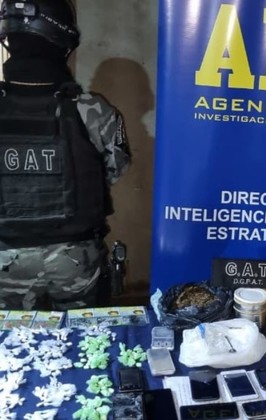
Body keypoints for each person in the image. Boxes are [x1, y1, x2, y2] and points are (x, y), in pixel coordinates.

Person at [0, 0, 130, 310]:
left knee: (8, 340)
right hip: (74, 259)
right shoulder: (92, 110)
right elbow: (114, 171)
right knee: (86, 337)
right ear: (63, 41)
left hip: (6, 257)